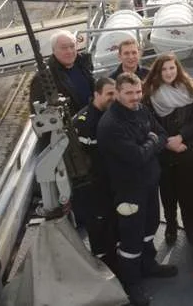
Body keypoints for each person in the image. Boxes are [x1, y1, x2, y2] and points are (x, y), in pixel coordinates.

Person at [96, 73, 177, 306]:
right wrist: (152, 142)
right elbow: (137, 156)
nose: (135, 97)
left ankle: (149, 265)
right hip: (128, 191)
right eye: (129, 93)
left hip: (149, 185)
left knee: (150, 227)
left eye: (138, 92)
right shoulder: (111, 125)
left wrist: (150, 142)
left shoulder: (141, 110)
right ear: (118, 93)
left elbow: (161, 133)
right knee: (131, 240)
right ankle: (132, 284)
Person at [143, 54, 193, 244]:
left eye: (172, 68)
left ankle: (191, 225)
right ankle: (171, 225)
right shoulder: (150, 95)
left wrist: (181, 136)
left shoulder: (189, 90)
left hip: (186, 151)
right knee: (168, 194)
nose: (169, 72)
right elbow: (149, 123)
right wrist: (168, 142)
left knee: (190, 192)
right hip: (164, 154)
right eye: (164, 69)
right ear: (157, 72)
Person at [73, 77, 117, 270]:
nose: (113, 98)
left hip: (110, 183)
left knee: (113, 227)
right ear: (96, 94)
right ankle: (104, 265)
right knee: (100, 230)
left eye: (115, 93)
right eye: (109, 94)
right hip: (93, 187)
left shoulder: (110, 114)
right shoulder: (85, 121)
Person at [29, 30, 95, 117]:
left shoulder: (83, 63)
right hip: (74, 125)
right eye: (64, 48)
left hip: (92, 116)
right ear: (54, 50)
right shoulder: (43, 78)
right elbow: (39, 115)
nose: (69, 51)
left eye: (72, 46)